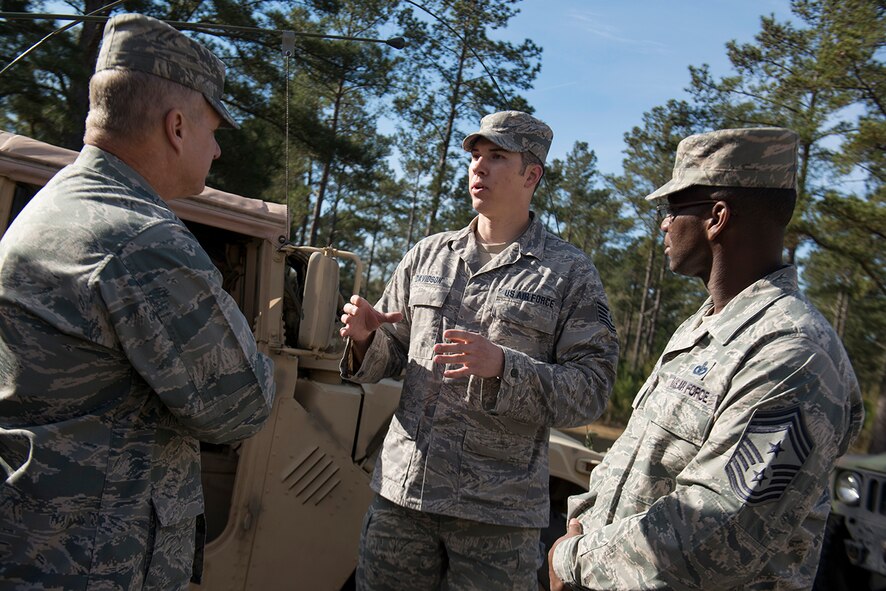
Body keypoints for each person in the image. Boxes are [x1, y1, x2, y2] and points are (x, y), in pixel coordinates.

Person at [0, 13, 276, 590]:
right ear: (177, 126)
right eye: (214, 130)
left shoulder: (55, 204)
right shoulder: (143, 241)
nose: (217, 151)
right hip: (94, 559)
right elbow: (242, 405)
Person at [548, 127, 864, 590]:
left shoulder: (792, 355)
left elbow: (717, 536)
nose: (663, 223)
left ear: (717, 217)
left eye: (672, 207)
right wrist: (578, 532)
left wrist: (573, 561)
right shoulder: (704, 328)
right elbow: (632, 462)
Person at [339, 110, 620, 590]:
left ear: (532, 175)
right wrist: (367, 339)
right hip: (405, 500)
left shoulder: (568, 273)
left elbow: (591, 392)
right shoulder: (427, 256)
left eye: (496, 157)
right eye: (474, 156)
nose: (478, 168)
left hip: (498, 516)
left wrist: (504, 368)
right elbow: (389, 355)